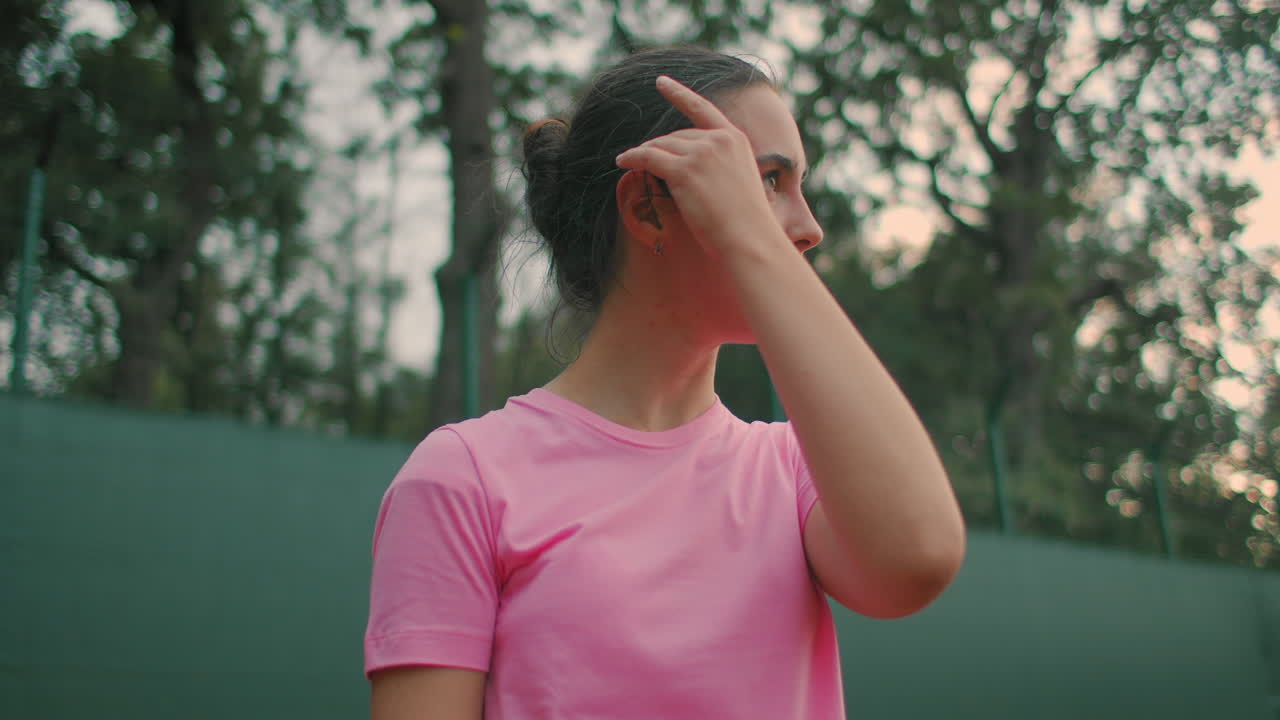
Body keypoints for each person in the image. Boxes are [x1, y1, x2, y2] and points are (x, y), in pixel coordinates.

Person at [364, 46, 966, 719]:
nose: (809, 227)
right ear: (650, 208)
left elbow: (917, 558)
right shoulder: (464, 478)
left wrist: (753, 239)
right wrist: (749, 234)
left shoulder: (797, 474)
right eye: (765, 180)